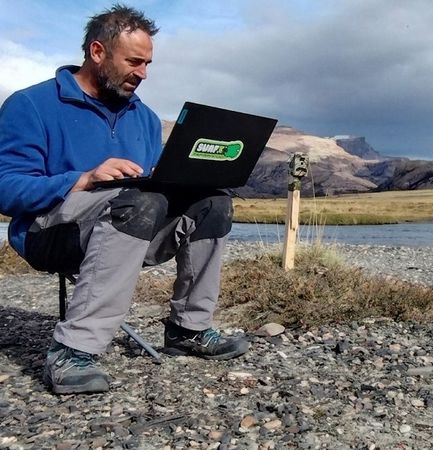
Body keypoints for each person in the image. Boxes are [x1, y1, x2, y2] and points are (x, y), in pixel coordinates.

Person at [0, 4, 249, 395]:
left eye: (148, 64)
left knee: (213, 203)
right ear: (97, 52)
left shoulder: (145, 118)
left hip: (127, 226)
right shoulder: (31, 105)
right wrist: (83, 178)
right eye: (134, 61)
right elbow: (6, 189)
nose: (143, 73)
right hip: (47, 232)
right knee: (135, 203)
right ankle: (71, 350)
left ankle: (189, 329)